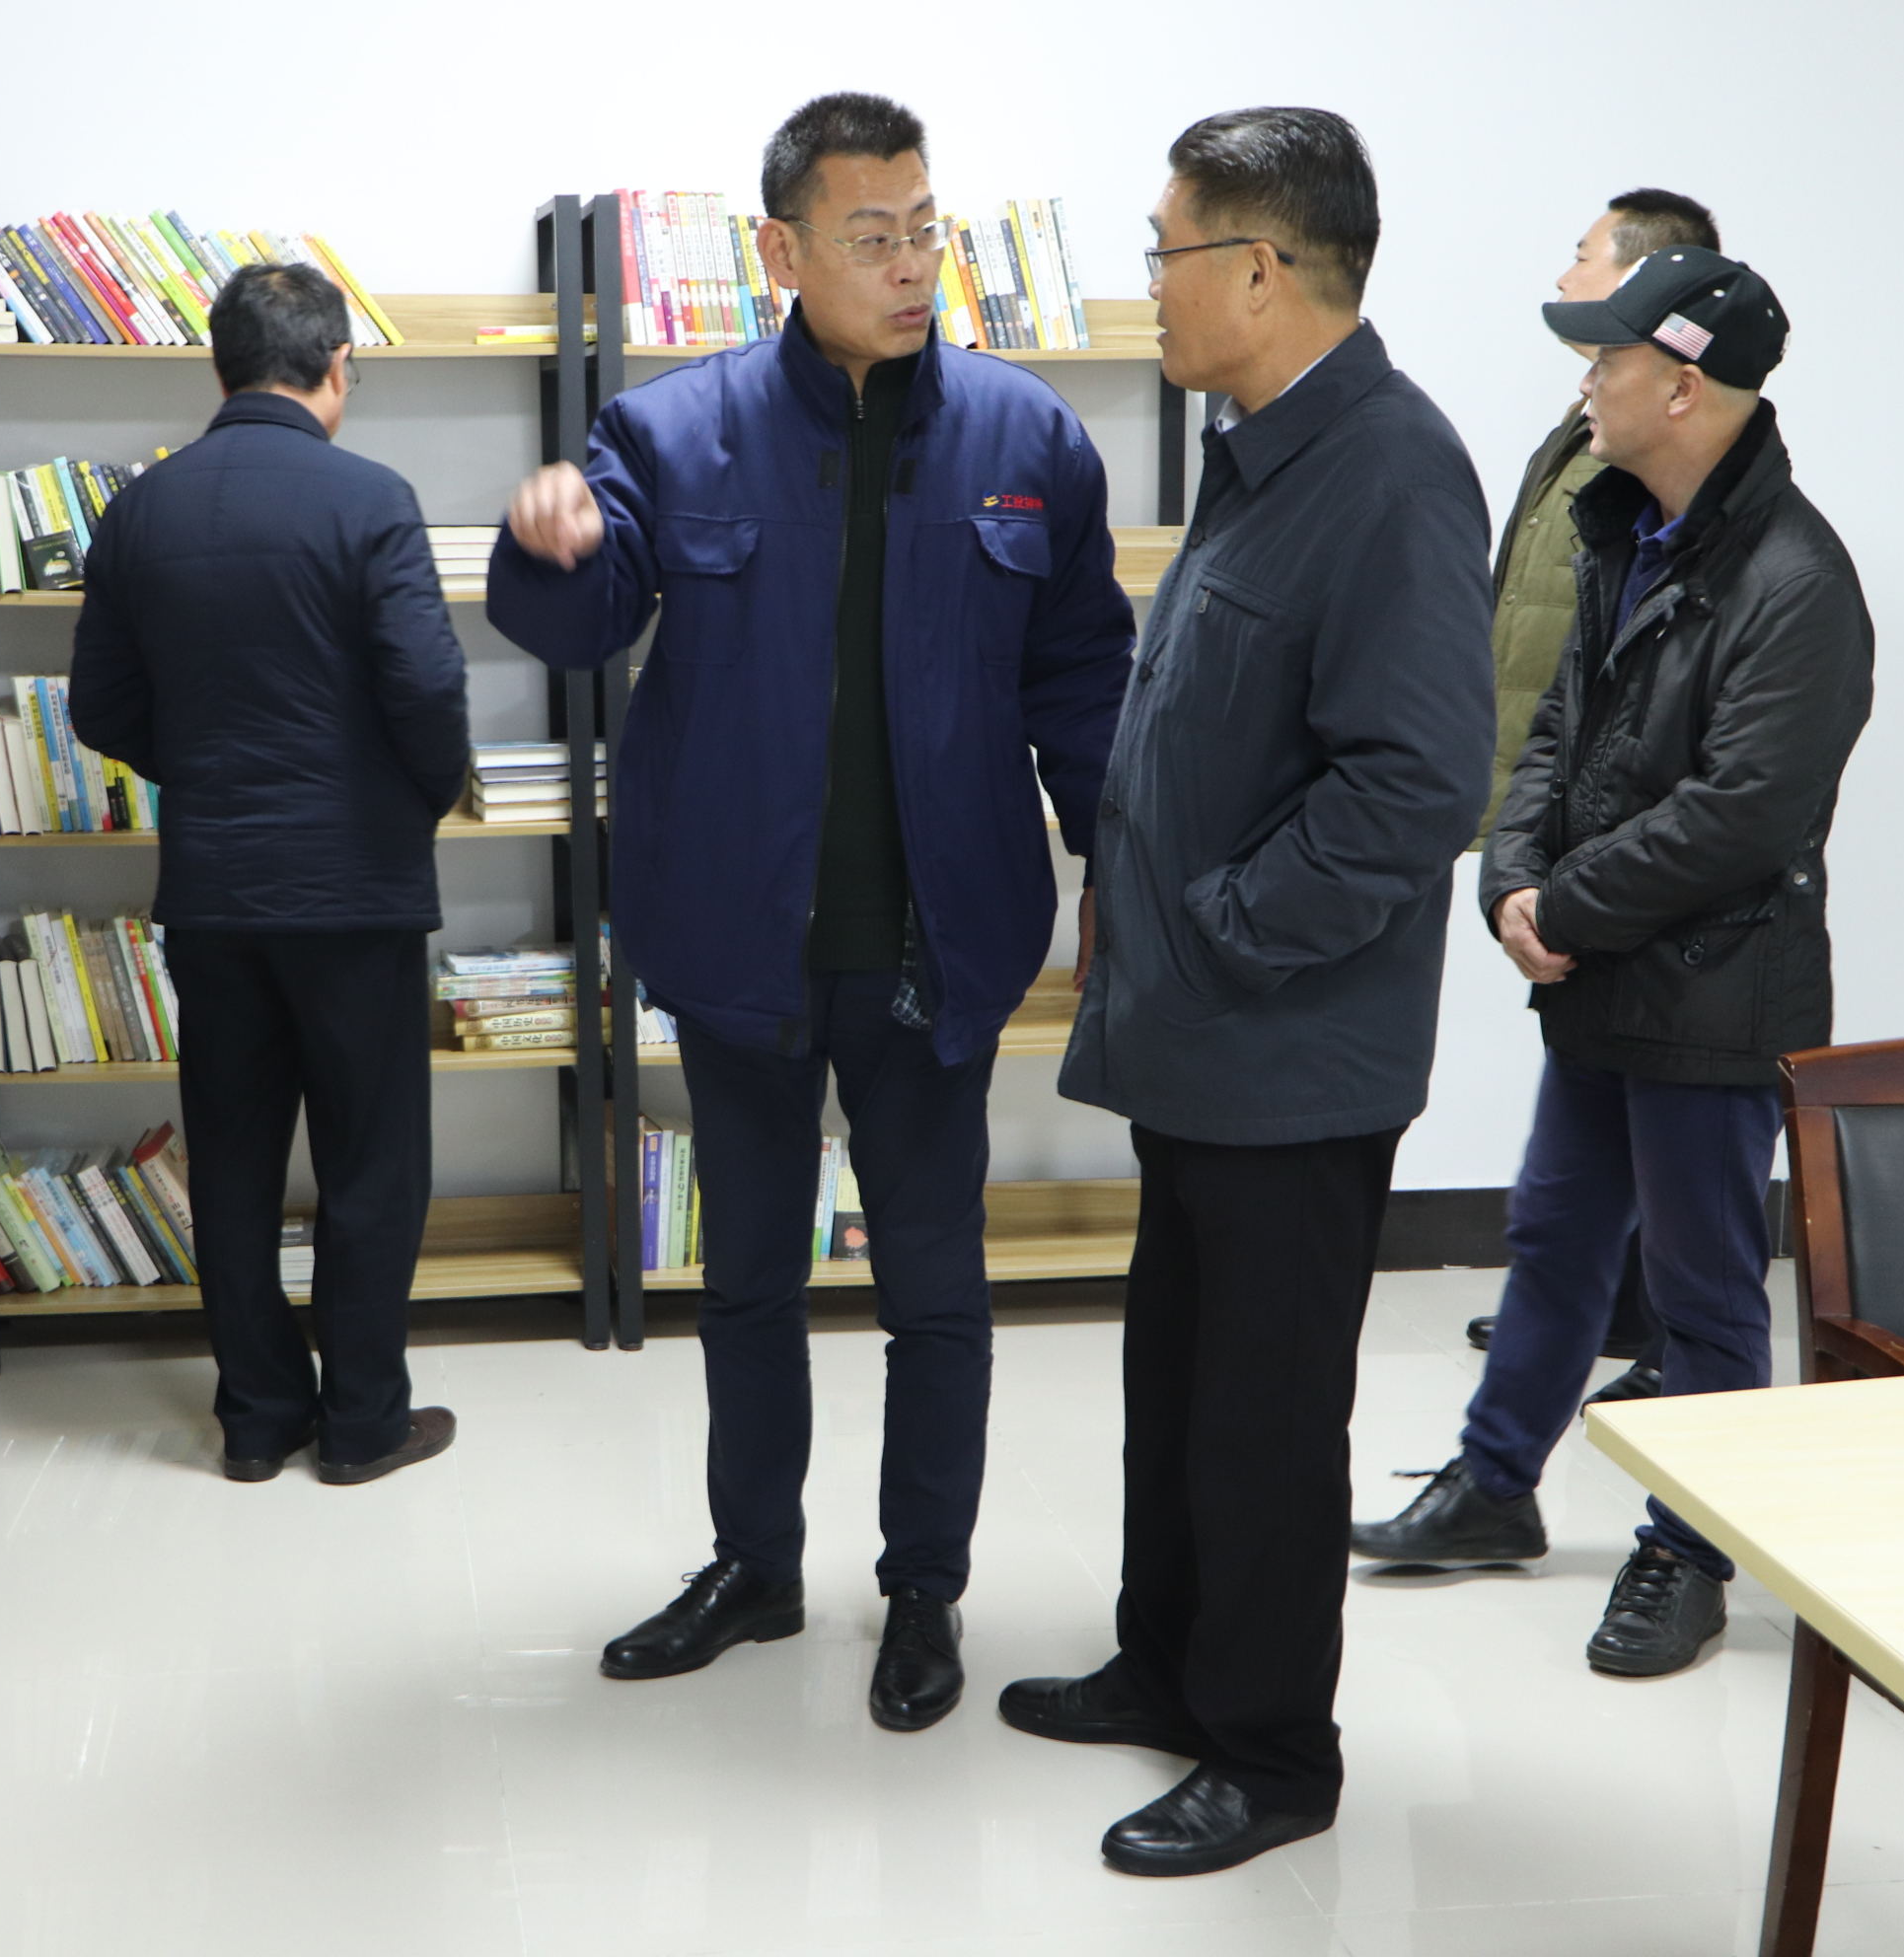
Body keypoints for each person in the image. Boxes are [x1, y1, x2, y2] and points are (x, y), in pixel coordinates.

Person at [486, 91, 1134, 1732]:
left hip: (937, 946)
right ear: (782, 251)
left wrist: (1114, 872)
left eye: (925, 230)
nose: (912, 264)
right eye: (872, 236)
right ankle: (754, 1566)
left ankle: (924, 1588)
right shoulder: (671, 431)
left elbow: (1080, 679)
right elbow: (584, 616)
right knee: (751, 1282)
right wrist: (548, 544)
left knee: (936, 1293)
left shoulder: (1027, 441)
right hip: (740, 942)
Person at [1009, 108, 1494, 1876]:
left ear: (1262, 268)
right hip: (1204, 1040)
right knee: (1180, 1387)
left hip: (1288, 1046)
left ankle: (1274, 1751)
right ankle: (1169, 1664)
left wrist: (1216, 922)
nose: (1149, 283)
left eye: (1166, 250)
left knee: (1268, 1418)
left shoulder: (1389, 470)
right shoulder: (1261, 447)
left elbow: (1415, 784)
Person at [1350, 247, 1872, 1678]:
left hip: (1713, 987)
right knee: (1555, 1234)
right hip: (1602, 972)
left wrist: (1563, 907)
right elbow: (1556, 732)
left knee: (1704, 1290)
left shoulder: (1798, 581)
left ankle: (1690, 1552)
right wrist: (1512, 877)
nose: (1585, 381)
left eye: (1607, 357)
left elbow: (1743, 813)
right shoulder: (1626, 529)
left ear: (1684, 387)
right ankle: (1494, 1482)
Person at [70, 261, 470, 1487]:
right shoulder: (372, 499)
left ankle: (255, 1419)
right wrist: (411, 798)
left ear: (220, 367)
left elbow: (99, 707)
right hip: (356, 887)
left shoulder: (142, 511)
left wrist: (204, 767)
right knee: (371, 1162)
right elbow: (428, 689)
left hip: (215, 887)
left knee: (236, 1161)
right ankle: (361, 1423)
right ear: (337, 365)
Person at [1463, 189, 1725, 1403]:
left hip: (1618, 832)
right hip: (1556, 799)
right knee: (1582, 1114)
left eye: (1584, 255)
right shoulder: (1588, 427)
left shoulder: (1719, 508)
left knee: (1664, 1103)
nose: (1566, 272)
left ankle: (1667, 1338)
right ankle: (1600, 1318)